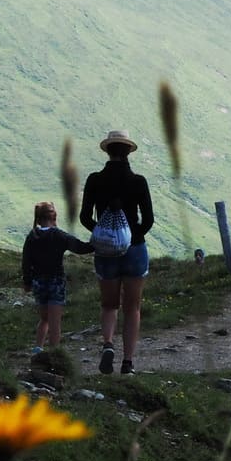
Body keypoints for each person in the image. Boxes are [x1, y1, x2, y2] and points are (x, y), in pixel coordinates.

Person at [80, 130, 155, 375]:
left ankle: (108, 344)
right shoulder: (138, 181)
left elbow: (85, 217)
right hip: (134, 249)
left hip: (105, 253)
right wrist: (132, 237)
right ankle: (128, 363)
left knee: (109, 305)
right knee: (132, 308)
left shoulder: (94, 180)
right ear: (128, 153)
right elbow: (148, 220)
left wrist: (102, 235)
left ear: (108, 151)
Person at [21, 201, 93, 353]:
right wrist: (97, 243)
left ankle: (38, 348)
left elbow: (26, 261)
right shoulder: (59, 235)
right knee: (55, 322)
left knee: (44, 319)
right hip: (56, 282)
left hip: (38, 283)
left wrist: (27, 282)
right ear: (54, 217)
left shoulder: (32, 236)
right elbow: (80, 248)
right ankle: (54, 353)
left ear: (38, 219)